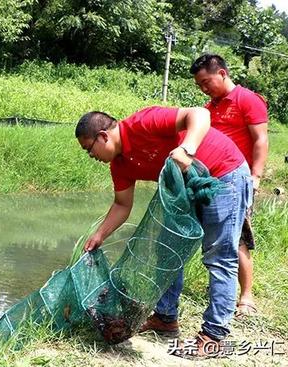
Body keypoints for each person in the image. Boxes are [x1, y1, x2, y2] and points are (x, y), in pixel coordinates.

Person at [75, 106, 252, 358]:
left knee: (219, 255)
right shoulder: (120, 164)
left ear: (103, 136)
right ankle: (166, 318)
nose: (90, 155)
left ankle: (215, 335)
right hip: (186, 188)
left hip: (224, 173)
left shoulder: (143, 122)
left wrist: (186, 148)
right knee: (167, 251)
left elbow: (199, 115)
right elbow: (122, 205)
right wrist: (99, 235)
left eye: (89, 148)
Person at [190, 54, 268, 317]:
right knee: (217, 238)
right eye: (199, 84)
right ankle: (222, 290)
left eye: (206, 81)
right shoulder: (210, 107)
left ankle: (246, 296)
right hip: (213, 181)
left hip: (238, 180)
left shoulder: (248, 100)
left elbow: (260, 140)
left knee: (238, 238)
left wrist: (255, 177)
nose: (204, 88)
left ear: (222, 73)